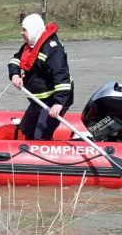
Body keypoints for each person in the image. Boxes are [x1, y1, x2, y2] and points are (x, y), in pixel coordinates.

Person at [8, 13, 74, 141]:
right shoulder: (29, 46)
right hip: (38, 100)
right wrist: (15, 74)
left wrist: (59, 103)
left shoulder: (52, 49)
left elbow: (61, 75)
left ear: (33, 30)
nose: (21, 33)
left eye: (24, 30)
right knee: (26, 130)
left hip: (53, 100)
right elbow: (15, 60)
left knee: (40, 137)